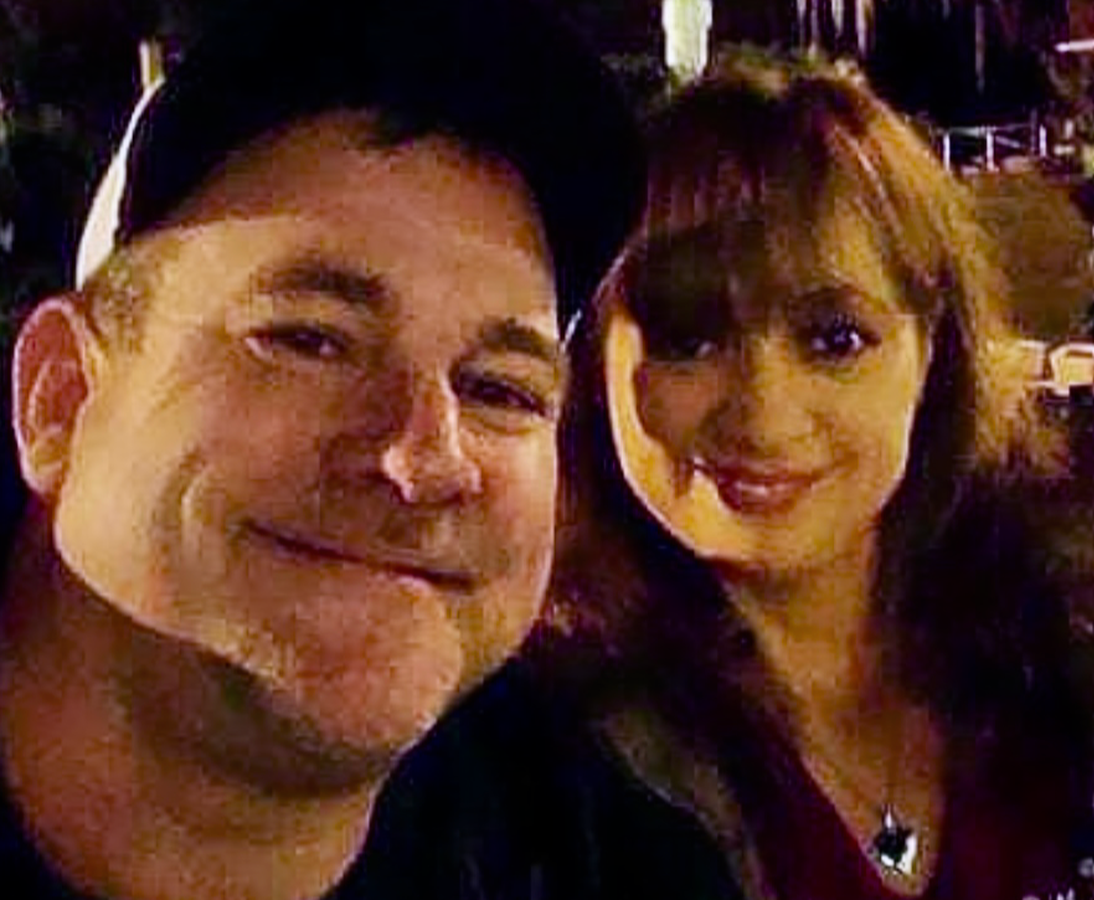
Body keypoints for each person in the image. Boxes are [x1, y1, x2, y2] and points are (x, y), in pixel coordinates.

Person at [0, 2, 748, 899]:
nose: (425, 460)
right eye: (311, 340)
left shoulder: (619, 868)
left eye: (500, 390)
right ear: (62, 402)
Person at [545, 55, 1094, 900]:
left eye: (834, 340)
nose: (764, 413)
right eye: (688, 338)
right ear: (591, 363)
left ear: (931, 351)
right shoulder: (537, 768)